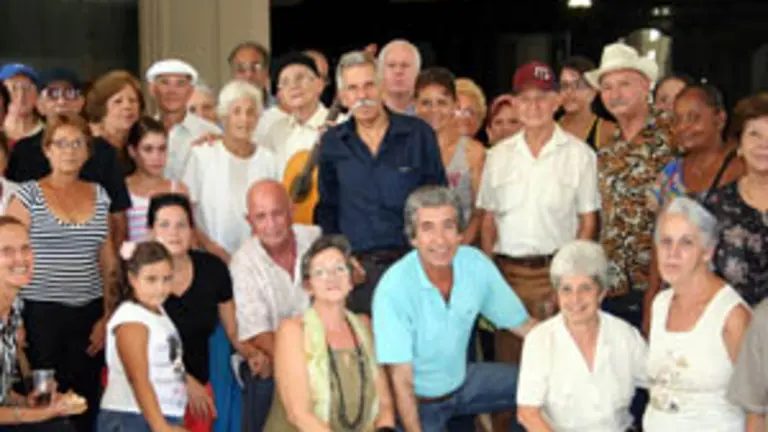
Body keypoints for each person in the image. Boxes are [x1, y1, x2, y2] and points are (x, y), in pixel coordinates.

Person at [373, 186, 534, 431]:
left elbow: (524, 326)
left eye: (448, 226)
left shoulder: (475, 264)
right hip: (419, 403)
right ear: (413, 238)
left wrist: (576, 350)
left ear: (460, 233)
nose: (440, 240)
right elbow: (401, 379)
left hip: (461, 382)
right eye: (428, 228)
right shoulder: (393, 289)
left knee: (541, 385)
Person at [316, 51, 446, 316]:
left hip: (414, 265)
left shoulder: (418, 134)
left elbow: (440, 200)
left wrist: (432, 256)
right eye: (352, 88)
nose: (362, 95)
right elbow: (327, 208)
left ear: (382, 86)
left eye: (368, 85)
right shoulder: (332, 143)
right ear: (343, 97)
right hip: (359, 272)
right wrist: (341, 257)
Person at [264, 235, 395, 431]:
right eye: (321, 272)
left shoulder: (364, 325)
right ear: (308, 286)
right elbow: (299, 414)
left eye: (339, 269)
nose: (331, 277)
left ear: (351, 280)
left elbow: (385, 405)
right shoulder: (292, 331)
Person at [517, 240, 647, 431]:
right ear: (557, 295)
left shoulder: (624, 335)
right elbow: (527, 413)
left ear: (601, 293)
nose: (575, 299)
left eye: (585, 288)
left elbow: (659, 381)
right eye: (566, 289)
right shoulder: (540, 340)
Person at [644, 197, 751, 430]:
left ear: (707, 252)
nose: (673, 253)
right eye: (666, 242)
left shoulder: (732, 316)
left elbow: (760, 405)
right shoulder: (660, 304)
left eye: (686, 243)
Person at [0, 216, 84, 431]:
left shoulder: (15, 306)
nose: (20, 258)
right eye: (6, 251)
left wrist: (26, 403)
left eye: (25, 248)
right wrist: (38, 414)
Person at [97, 241, 187, 431]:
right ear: (132, 278)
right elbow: (138, 378)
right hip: (132, 416)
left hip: (156, 415)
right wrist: (161, 426)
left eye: (166, 279)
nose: (160, 288)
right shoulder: (132, 318)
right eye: (151, 279)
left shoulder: (158, 312)